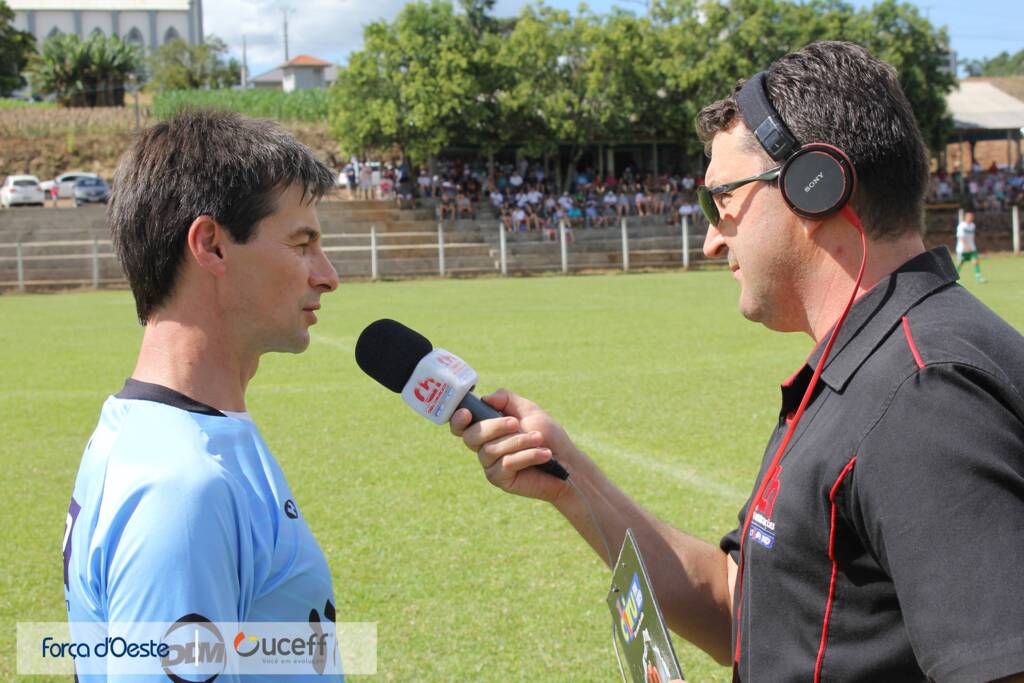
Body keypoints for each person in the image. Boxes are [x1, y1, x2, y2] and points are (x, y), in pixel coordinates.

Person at [451, 41, 1024, 682]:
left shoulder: (925, 394)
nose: (711, 237)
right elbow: (736, 604)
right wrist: (569, 479)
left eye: (722, 198)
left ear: (816, 186)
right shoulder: (867, 361)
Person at [62, 111, 343, 680]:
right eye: (302, 243)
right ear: (211, 246)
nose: (328, 275)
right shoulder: (181, 488)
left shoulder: (174, 433)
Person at [955, 211, 986, 282]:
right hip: (962, 249)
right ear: (965, 217)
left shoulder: (972, 225)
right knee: (960, 263)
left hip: (971, 248)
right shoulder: (961, 226)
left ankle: (978, 277)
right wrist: (966, 246)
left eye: (972, 217)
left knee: (975, 261)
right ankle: (954, 278)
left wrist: (972, 245)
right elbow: (960, 237)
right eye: (969, 217)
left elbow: (972, 237)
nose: (970, 218)